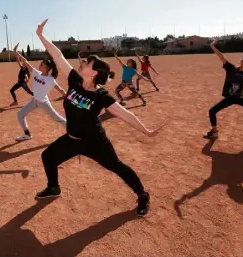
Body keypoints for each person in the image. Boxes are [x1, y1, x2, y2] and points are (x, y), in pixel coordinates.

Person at [34, 19, 165, 216]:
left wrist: (146, 130)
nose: (83, 63)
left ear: (94, 72)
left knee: (117, 166)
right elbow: (58, 55)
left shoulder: (101, 95)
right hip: (72, 139)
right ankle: (54, 187)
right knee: (48, 156)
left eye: (87, 63)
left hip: (94, 142)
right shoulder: (74, 80)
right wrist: (41, 36)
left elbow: (124, 114)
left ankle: (142, 194)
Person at [13, 43, 67, 141]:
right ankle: (27, 134)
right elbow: (25, 62)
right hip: (34, 101)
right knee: (20, 114)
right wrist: (16, 53)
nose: (40, 65)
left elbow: (61, 91)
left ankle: (74, 131)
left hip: (43, 102)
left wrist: (72, 99)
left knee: (57, 118)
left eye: (42, 64)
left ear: (47, 68)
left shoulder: (51, 80)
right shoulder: (36, 73)